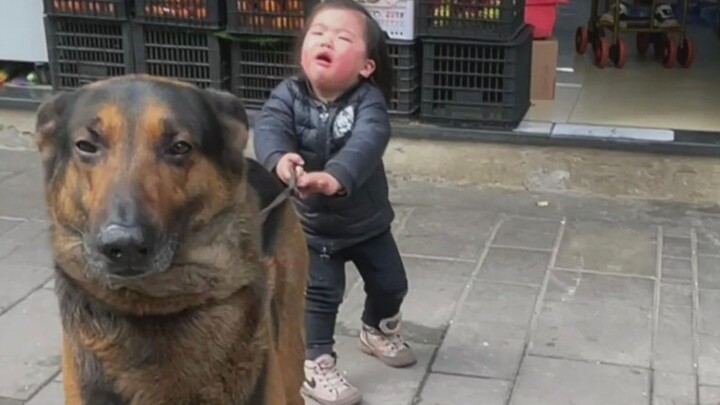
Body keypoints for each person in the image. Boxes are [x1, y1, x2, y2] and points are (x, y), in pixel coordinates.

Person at [253, 1, 416, 404]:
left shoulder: (368, 102)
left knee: (391, 283)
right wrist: (278, 160)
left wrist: (335, 177)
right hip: (313, 229)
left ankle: (375, 328)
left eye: (343, 38)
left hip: (368, 223)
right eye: (318, 33)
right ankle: (316, 364)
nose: (327, 40)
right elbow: (269, 127)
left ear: (366, 66)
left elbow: (368, 142)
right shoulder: (287, 95)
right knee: (321, 295)